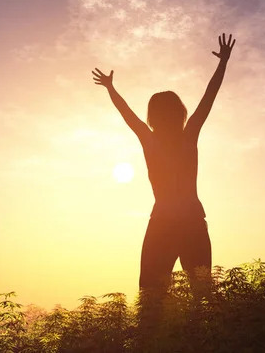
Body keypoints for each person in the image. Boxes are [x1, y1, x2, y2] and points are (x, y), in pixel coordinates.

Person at [92, 33, 236, 298]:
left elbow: (128, 113)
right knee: (195, 295)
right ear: (179, 113)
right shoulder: (184, 136)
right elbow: (207, 99)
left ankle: (161, 337)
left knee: (155, 295)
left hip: (170, 223)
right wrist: (223, 63)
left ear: (154, 117)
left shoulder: (155, 140)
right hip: (185, 221)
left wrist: (111, 89)